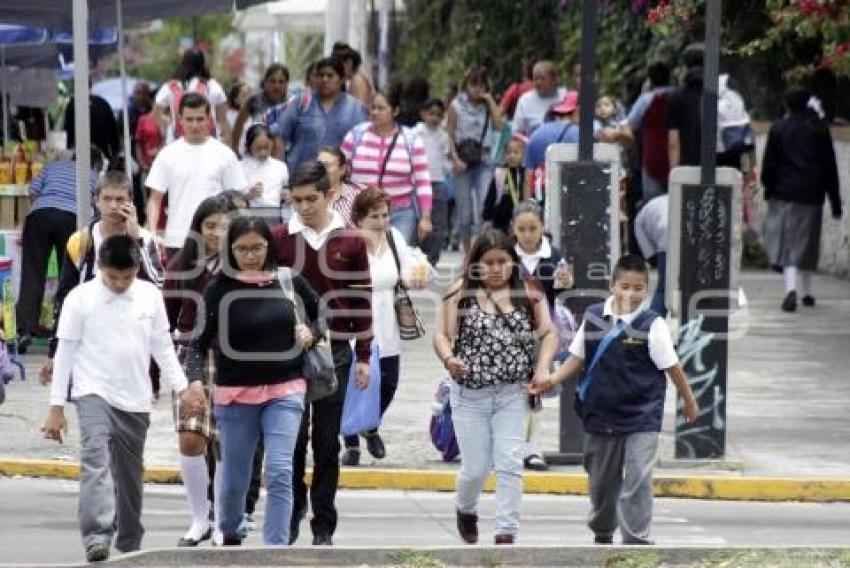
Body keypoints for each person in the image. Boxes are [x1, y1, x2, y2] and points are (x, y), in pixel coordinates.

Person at [41, 234, 204, 563]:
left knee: (130, 473)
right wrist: (56, 407)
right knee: (95, 459)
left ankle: (129, 537)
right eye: (112, 277)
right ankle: (97, 535)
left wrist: (182, 388)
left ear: (137, 271)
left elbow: (162, 346)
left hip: (135, 397)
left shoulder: (149, 296)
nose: (119, 283)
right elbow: (66, 353)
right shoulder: (80, 299)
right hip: (92, 391)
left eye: (126, 277)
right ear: (100, 267)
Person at [529, 254, 699, 545]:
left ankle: (636, 540)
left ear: (646, 290)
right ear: (612, 286)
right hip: (601, 414)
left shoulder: (652, 324)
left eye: (638, 288)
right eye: (625, 287)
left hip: (642, 415)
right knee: (601, 484)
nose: (630, 294)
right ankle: (602, 531)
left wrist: (689, 400)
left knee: (638, 479)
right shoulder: (594, 316)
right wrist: (552, 379)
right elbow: (577, 357)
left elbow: (672, 367)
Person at [186, 216, 323, 546]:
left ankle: (274, 552)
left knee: (279, 471)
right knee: (235, 478)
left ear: (268, 246)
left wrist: (312, 333)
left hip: (286, 389)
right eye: (242, 249)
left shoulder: (287, 280)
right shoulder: (218, 289)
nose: (251, 255)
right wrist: (194, 382)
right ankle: (230, 531)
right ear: (231, 250)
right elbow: (198, 343)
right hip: (235, 395)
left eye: (257, 247)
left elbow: (323, 312)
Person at [433, 229, 557, 545]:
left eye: (503, 261)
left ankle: (506, 533)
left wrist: (542, 368)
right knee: (474, 470)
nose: (495, 269)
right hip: (469, 395)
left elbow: (549, 335)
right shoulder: (460, 293)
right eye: (488, 262)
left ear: (513, 263)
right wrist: (450, 360)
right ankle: (465, 507)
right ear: (475, 265)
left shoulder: (529, 292)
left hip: (513, 394)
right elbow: (442, 336)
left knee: (510, 464)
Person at [271, 161, 372, 546]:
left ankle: (323, 523)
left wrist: (364, 354)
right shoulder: (279, 238)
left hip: (336, 351)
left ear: (330, 194)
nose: (304, 207)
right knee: (291, 440)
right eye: (296, 200)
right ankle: (294, 510)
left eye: (311, 199)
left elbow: (361, 302)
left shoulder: (351, 240)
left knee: (327, 442)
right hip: (288, 351)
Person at [162, 195, 243, 547]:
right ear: (198, 228)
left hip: (233, 358)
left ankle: (225, 521)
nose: (216, 233)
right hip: (188, 355)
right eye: (210, 225)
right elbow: (166, 318)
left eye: (225, 226)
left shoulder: (244, 264)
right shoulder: (182, 265)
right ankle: (199, 519)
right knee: (190, 437)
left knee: (226, 442)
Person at [39, 171, 163, 387]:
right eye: (107, 199)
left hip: (132, 343)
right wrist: (55, 351)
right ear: (96, 201)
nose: (113, 206)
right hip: (90, 343)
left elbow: (157, 288)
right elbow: (65, 298)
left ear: (131, 202)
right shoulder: (81, 241)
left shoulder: (144, 238)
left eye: (120, 199)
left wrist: (136, 241)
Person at [341, 189, 428, 466]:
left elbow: (406, 270)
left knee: (388, 381)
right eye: (374, 216)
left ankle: (371, 425)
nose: (381, 222)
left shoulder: (394, 238)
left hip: (387, 319)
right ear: (358, 219)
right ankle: (352, 443)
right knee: (354, 385)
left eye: (385, 215)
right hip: (356, 319)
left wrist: (416, 277)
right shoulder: (348, 244)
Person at [761, 86, 842, 312]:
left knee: (788, 245)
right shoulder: (819, 128)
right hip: (812, 195)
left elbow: (770, 163)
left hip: (785, 193)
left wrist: (768, 187)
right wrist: (834, 201)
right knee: (808, 243)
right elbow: (830, 167)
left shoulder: (779, 128)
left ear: (787, 104)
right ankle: (807, 292)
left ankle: (790, 290)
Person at [16, 148, 102, 352]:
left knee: (33, 273)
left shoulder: (52, 166)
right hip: (70, 218)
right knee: (69, 276)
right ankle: (61, 331)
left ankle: (24, 330)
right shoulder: (92, 175)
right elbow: (96, 205)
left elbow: (33, 191)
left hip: (39, 215)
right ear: (95, 163)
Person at [510, 200, 573, 471]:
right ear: (513, 228)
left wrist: (565, 280)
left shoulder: (553, 255)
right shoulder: (505, 254)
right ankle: (509, 446)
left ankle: (532, 449)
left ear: (542, 227)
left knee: (534, 389)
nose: (527, 234)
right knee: (508, 392)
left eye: (532, 228)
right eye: (522, 229)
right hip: (507, 329)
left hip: (540, 330)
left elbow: (560, 287)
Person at [145, 93, 247, 260]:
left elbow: (238, 199)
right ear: (180, 119)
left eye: (200, 119)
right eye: (189, 119)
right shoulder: (167, 154)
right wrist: (151, 233)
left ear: (208, 119)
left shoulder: (225, 154)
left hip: (217, 241)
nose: (194, 125)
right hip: (177, 240)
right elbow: (155, 198)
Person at [341, 89, 433, 245]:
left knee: (396, 256)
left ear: (395, 111)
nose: (375, 112)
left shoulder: (411, 139)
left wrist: (425, 217)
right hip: (362, 212)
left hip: (400, 213)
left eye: (381, 108)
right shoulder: (356, 135)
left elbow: (422, 181)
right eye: (372, 108)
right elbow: (341, 171)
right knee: (365, 257)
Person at [447, 65, 504, 256]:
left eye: (481, 85)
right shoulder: (456, 105)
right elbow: (450, 134)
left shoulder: (488, 105)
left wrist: (489, 100)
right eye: (473, 84)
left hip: (483, 161)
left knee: (483, 210)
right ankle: (467, 253)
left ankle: (482, 250)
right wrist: (454, 159)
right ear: (466, 85)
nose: (477, 89)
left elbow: (499, 126)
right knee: (464, 214)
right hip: (462, 161)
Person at [278, 56, 368, 172]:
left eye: (330, 76)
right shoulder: (301, 103)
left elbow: (364, 144)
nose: (324, 79)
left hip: (339, 180)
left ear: (341, 79)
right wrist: (280, 174)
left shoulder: (355, 108)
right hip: (301, 179)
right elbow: (279, 137)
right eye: (321, 75)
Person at [617, 61, 673, 201]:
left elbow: (628, 125)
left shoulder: (646, 99)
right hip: (677, 156)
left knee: (653, 201)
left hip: (652, 156)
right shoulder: (677, 95)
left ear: (650, 80)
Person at [153, 48, 230, 145]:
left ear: (183, 63)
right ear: (203, 63)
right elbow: (222, 120)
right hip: (209, 144)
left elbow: (156, 115)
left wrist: (171, 122)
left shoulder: (170, 87)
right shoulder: (212, 85)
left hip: (178, 143)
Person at [523, 91, 580, 202]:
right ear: (576, 112)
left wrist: (527, 207)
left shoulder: (537, 133)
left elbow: (528, 176)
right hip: (570, 196)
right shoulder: (579, 135)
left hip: (541, 195)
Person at [414, 98, 452, 265]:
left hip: (438, 182)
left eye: (438, 115)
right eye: (431, 114)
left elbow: (446, 159)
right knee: (418, 221)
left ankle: (432, 259)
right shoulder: (415, 132)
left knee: (438, 223)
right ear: (423, 114)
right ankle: (417, 257)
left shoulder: (443, 136)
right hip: (418, 182)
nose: (434, 118)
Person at [232, 64, 290, 159]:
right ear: (266, 82)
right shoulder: (255, 100)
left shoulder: (293, 103)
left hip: (286, 157)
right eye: (272, 81)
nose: (276, 85)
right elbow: (238, 125)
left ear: (287, 84)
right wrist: (235, 149)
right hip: (258, 155)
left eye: (281, 82)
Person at [666, 44, 705, 169]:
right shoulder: (722, 91)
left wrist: (674, 173)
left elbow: (674, 143)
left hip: (688, 167)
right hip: (722, 167)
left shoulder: (676, 96)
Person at [483, 134, 527, 233]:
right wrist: (487, 218)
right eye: (508, 153)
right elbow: (491, 196)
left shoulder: (525, 174)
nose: (512, 156)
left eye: (516, 153)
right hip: (500, 221)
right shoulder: (499, 173)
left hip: (519, 220)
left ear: (523, 155)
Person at [634, 194, 669, 317]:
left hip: (665, 242)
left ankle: (652, 323)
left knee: (664, 289)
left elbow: (638, 227)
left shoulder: (646, 209)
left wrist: (650, 255)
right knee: (689, 289)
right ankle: (689, 327)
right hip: (687, 240)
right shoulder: (671, 197)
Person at [511, 61, 566, 136]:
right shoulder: (525, 100)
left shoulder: (565, 96)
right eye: (536, 79)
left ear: (554, 79)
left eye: (543, 79)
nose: (538, 82)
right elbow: (516, 131)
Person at [241, 124, 290, 208]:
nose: (263, 152)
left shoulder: (281, 167)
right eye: (258, 148)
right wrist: (248, 195)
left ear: (272, 144)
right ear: (248, 146)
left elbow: (287, 192)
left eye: (266, 147)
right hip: (248, 215)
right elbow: (232, 199)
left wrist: (287, 195)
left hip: (274, 214)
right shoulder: (239, 167)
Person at [64, 94, 121, 164]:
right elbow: (113, 129)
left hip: (80, 152)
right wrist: (115, 150)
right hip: (101, 152)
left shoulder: (72, 104)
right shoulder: (102, 102)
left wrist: (68, 148)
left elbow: (68, 131)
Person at [317, 146, 360, 225]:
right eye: (319, 165)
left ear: (342, 169)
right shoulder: (308, 195)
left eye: (327, 166)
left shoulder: (356, 197)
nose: (321, 170)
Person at [225, 81, 253, 156]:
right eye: (244, 95)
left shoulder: (253, 115)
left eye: (249, 95)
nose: (248, 98)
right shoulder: (229, 117)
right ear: (235, 99)